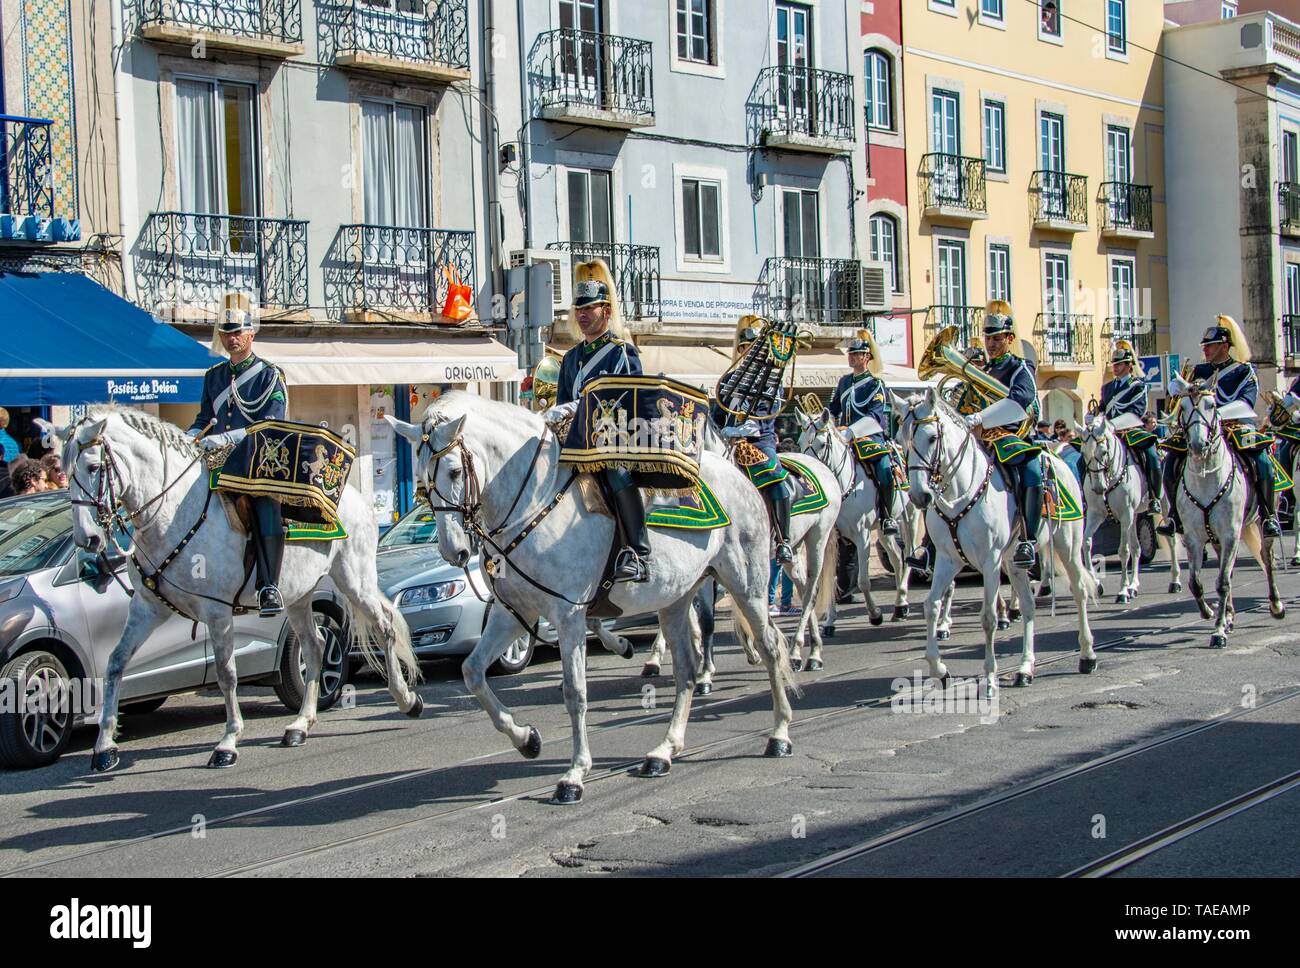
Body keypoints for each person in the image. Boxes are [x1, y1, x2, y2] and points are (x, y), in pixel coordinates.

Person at [544, 261, 649, 583]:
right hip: (574, 441)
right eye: (579, 309)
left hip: (611, 440)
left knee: (617, 472)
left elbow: (632, 400)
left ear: (605, 310)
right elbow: (563, 400)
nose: (582, 315)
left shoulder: (622, 353)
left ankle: (637, 552)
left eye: (590, 308)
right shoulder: (572, 357)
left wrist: (583, 406)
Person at [187, 293, 290, 615]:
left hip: (255, 459)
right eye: (226, 333)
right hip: (217, 461)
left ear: (251, 334)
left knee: (264, 503)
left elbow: (272, 421)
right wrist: (189, 436)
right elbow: (204, 419)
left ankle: (268, 585)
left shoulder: (269, 375)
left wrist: (229, 437)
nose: (232, 339)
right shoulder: (213, 376)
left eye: (238, 333)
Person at [1158, 315, 1279, 538]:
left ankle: (1268, 515)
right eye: (1204, 346)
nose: (1205, 350)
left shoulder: (1244, 371)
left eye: (1210, 345)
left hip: (1236, 427)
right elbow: (1185, 402)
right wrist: (1175, 390)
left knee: (1263, 463)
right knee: (1170, 462)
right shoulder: (1198, 371)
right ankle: (1175, 515)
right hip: (1202, 430)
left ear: (1224, 345)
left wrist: (1215, 417)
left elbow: (1245, 403)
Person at [963, 301, 1043, 570]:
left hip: (1011, 439)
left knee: (1031, 471)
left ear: (1010, 339)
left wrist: (981, 418)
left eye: (997, 338)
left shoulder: (1020, 367)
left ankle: (1028, 539)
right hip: (980, 439)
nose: (991, 343)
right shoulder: (981, 371)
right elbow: (966, 404)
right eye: (988, 338)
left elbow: (1022, 401)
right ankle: (931, 544)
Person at [715, 316, 797, 563]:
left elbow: (764, 416)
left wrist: (740, 431)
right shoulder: (729, 380)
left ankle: (784, 541)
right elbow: (718, 414)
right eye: (742, 348)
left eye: (750, 347)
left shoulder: (771, 381)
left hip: (759, 443)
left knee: (776, 480)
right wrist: (720, 430)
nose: (746, 351)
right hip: (729, 442)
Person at [830, 330, 898, 535]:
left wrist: (852, 432)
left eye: (855, 354)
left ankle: (887, 516)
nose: (850, 357)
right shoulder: (844, 382)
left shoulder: (875, 384)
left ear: (866, 357)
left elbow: (875, 417)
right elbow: (833, 409)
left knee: (885, 469)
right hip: (843, 438)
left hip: (870, 438)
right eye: (850, 354)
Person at [1099, 340, 1162, 514]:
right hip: (1110, 433)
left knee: (1151, 455)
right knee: (1086, 454)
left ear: (1129, 365)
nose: (1116, 367)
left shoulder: (1139, 386)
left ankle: (1154, 497)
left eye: (1120, 364)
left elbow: (1137, 410)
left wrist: (1114, 424)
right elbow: (1102, 408)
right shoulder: (1107, 388)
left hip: (1131, 430)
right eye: (1114, 364)